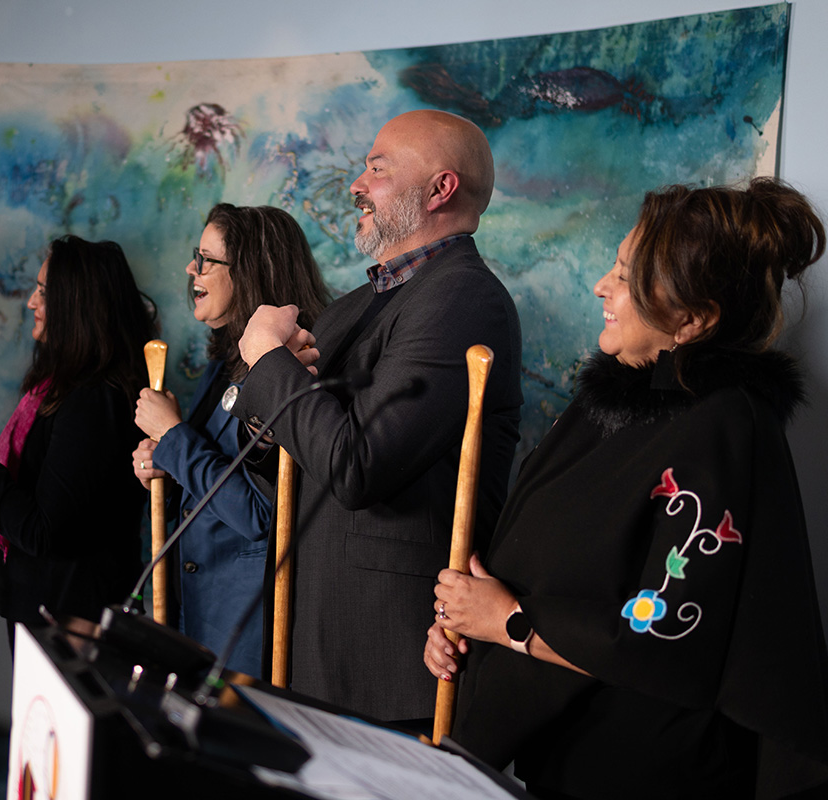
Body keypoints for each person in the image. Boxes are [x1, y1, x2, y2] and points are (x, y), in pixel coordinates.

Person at [426, 178, 828, 798]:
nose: (601, 287)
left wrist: (507, 621)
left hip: (648, 774)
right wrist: (467, 623)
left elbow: (664, 627)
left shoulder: (722, 427)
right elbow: (551, 567)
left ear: (693, 320)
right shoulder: (607, 404)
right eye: (614, 265)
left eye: (626, 274)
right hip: (569, 760)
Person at [229, 110, 523, 722]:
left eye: (376, 169)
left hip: (390, 668)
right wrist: (268, 400)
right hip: (311, 648)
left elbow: (358, 465)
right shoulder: (353, 306)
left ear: (441, 190)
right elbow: (278, 456)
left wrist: (263, 359)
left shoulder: (464, 298)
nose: (357, 185)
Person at [130, 203, 330, 676]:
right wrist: (162, 461)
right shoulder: (223, 366)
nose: (191, 269)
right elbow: (207, 481)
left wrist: (172, 435)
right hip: (193, 616)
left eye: (206, 259)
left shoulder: (291, 367)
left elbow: (259, 514)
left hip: (246, 631)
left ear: (251, 272)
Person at [0, 235, 155, 639]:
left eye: (43, 291)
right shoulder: (58, 385)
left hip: (70, 618)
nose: (31, 303)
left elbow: (43, 530)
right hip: (44, 608)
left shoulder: (96, 399)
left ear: (77, 305)